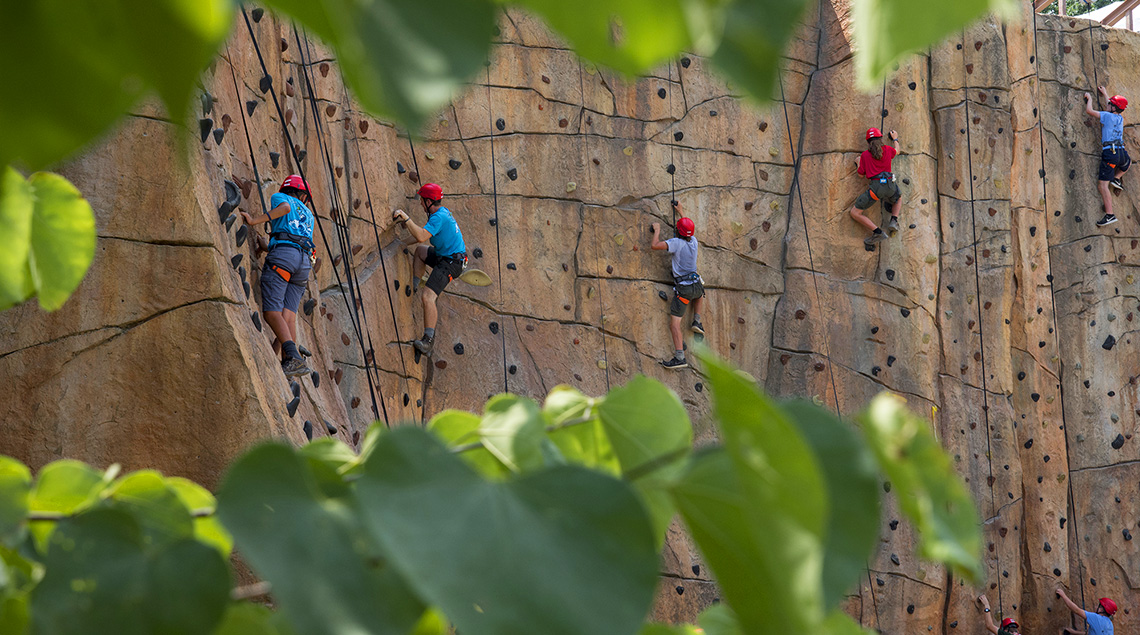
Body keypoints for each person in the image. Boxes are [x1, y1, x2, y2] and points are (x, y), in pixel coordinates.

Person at [240, 175, 316, 377]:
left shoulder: (280, 197)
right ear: (303, 195)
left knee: (271, 313)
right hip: (303, 264)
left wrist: (254, 220)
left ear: (287, 189)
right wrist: (266, 246)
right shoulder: (309, 214)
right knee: (288, 315)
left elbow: (285, 210)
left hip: (284, 258)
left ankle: (292, 356)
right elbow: (294, 236)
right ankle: (288, 362)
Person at [392, 183, 467, 357]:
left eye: (422, 200)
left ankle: (428, 341)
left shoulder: (438, 217)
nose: (420, 203)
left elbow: (420, 235)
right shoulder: (439, 214)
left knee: (429, 297)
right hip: (445, 256)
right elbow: (419, 238)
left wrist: (405, 217)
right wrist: (401, 243)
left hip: (451, 263)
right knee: (420, 252)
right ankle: (415, 286)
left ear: (428, 201)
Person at [650, 202, 705, 370]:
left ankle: (680, 356)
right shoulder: (693, 241)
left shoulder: (675, 243)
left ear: (677, 232)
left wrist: (657, 230)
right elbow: (687, 230)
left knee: (674, 324)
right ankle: (697, 320)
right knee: (700, 292)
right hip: (696, 286)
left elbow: (655, 246)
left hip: (684, 290)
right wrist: (681, 212)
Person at [1083, 87, 1130, 227]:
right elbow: (1112, 106)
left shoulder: (1107, 116)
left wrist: (1089, 99)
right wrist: (1105, 95)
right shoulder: (1119, 118)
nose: (1107, 104)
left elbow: (1089, 111)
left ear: (1113, 108)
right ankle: (1117, 178)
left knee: (1102, 185)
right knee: (1126, 163)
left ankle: (1110, 215)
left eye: (1110, 104)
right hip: (1122, 153)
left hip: (1110, 154)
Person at [849, 127, 903, 247]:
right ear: (881, 139)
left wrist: (858, 162)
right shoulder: (887, 149)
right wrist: (895, 139)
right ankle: (894, 220)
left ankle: (878, 232)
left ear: (868, 142)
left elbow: (860, 175)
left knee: (855, 213)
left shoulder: (865, 155)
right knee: (898, 198)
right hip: (890, 184)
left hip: (876, 189)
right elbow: (897, 151)